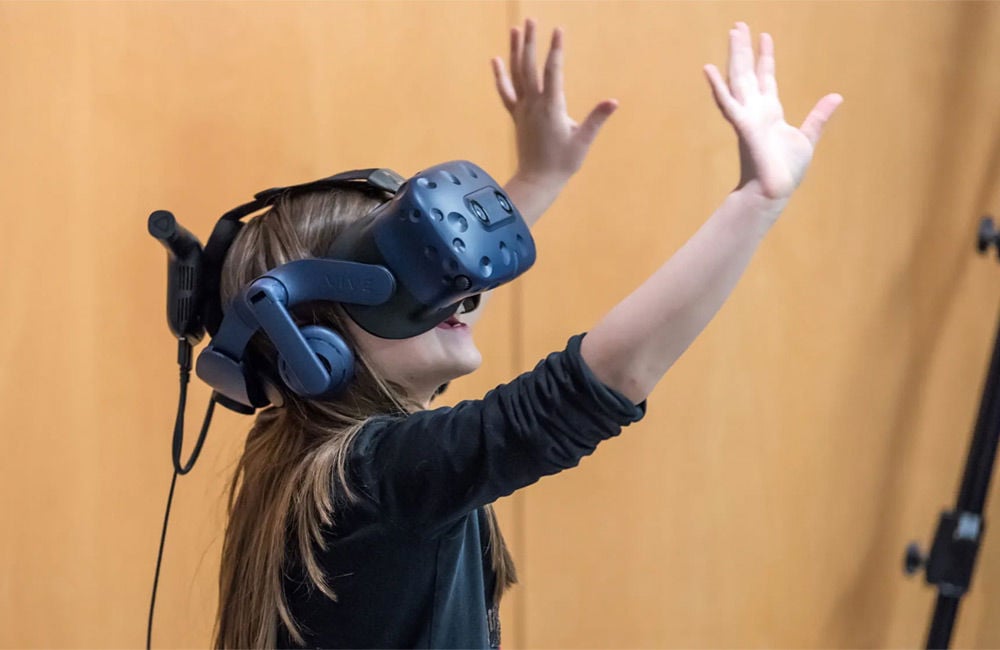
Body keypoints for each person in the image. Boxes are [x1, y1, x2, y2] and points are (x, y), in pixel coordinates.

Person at [212, 20, 842, 649]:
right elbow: (588, 387)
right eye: (410, 277)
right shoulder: (372, 479)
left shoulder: (305, 458)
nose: (458, 292)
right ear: (310, 344)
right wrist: (755, 201)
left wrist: (538, 180)